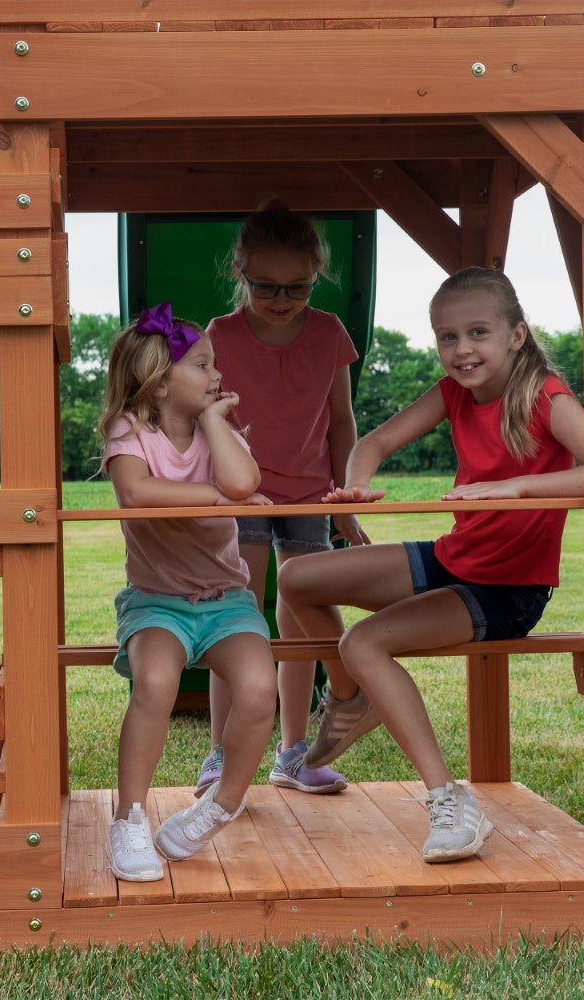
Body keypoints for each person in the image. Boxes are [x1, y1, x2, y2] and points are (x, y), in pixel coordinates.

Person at [277, 266, 584, 862]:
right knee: (297, 578)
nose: (462, 350)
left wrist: (519, 487)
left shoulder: (546, 396)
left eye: (478, 332)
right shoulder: (452, 394)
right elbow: (372, 444)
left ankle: (449, 801)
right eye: (447, 337)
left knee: (363, 643)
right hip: (453, 561)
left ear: (517, 334)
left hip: (507, 591)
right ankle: (349, 698)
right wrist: (357, 489)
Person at [99, 301, 279, 882]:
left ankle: (221, 805)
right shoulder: (130, 430)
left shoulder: (219, 432)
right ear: (157, 382)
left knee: (258, 689)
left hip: (227, 599)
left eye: (215, 365)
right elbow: (138, 494)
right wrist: (220, 502)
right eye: (202, 365)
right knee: (155, 682)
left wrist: (213, 422)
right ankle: (128, 818)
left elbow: (244, 482)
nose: (217, 375)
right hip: (157, 602)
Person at [198, 199, 370, 800]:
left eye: (297, 287)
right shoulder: (219, 336)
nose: (280, 298)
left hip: (309, 492)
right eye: (265, 285)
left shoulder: (328, 333)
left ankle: (292, 752)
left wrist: (342, 501)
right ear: (239, 272)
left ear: (316, 277)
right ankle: (222, 753)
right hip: (243, 493)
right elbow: (208, 422)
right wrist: (226, 489)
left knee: (299, 625)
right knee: (237, 621)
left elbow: (342, 420)